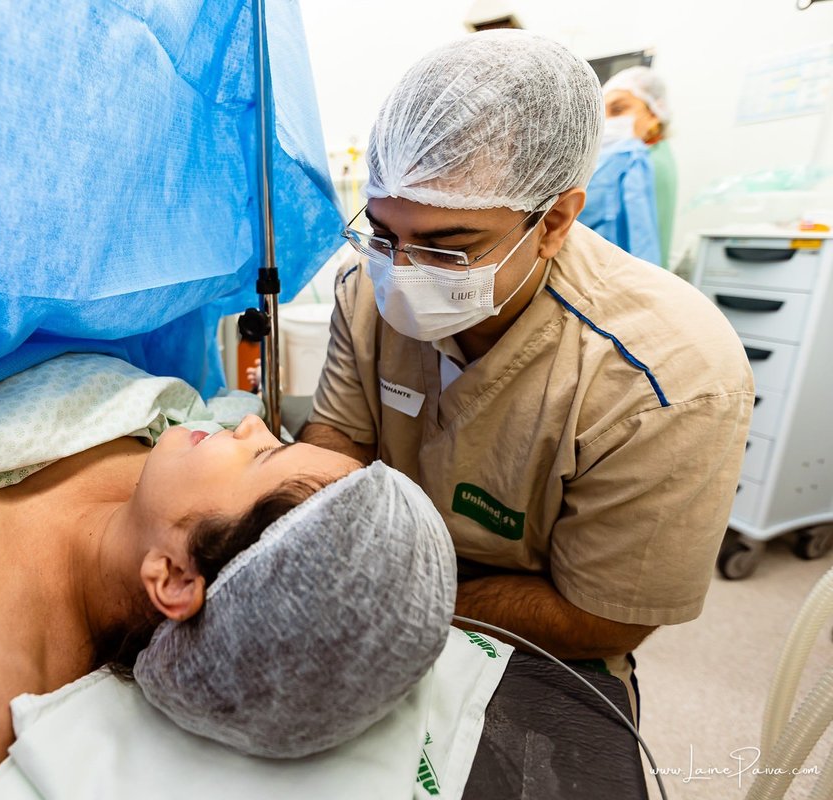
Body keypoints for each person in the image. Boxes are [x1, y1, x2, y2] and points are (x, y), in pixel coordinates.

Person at [300, 30, 753, 721]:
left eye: (451, 250)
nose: (403, 275)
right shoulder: (369, 286)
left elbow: (604, 617)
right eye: (387, 236)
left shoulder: (667, 375)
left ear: (555, 221)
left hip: (536, 647)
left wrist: (388, 590)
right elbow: (336, 437)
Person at [0, 413, 362, 798]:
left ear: (177, 578)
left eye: (264, 455)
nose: (253, 422)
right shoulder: (166, 459)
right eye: (279, 440)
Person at [603, 65, 678, 265]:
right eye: (603, 113)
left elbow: (640, 243)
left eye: (618, 110)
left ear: (654, 113)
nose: (607, 121)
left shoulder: (638, 159)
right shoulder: (655, 153)